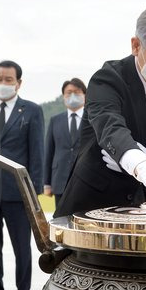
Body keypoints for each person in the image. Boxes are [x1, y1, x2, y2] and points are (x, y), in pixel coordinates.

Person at [54, 1, 146, 217]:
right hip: (95, 202)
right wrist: (142, 165)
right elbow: (110, 127)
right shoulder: (108, 79)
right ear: (136, 45)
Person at [0, 61, 44, 290]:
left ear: (19, 83)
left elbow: (37, 153)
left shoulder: (30, 111)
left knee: (22, 248)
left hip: (18, 192)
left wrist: (34, 191)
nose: (3, 83)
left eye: (9, 79)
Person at [43, 78, 86, 206]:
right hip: (59, 180)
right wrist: (47, 183)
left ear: (85, 95)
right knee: (61, 220)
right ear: (63, 96)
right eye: (68, 92)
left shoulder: (92, 119)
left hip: (85, 180)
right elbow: (49, 152)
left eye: (77, 92)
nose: (72, 95)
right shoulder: (55, 120)